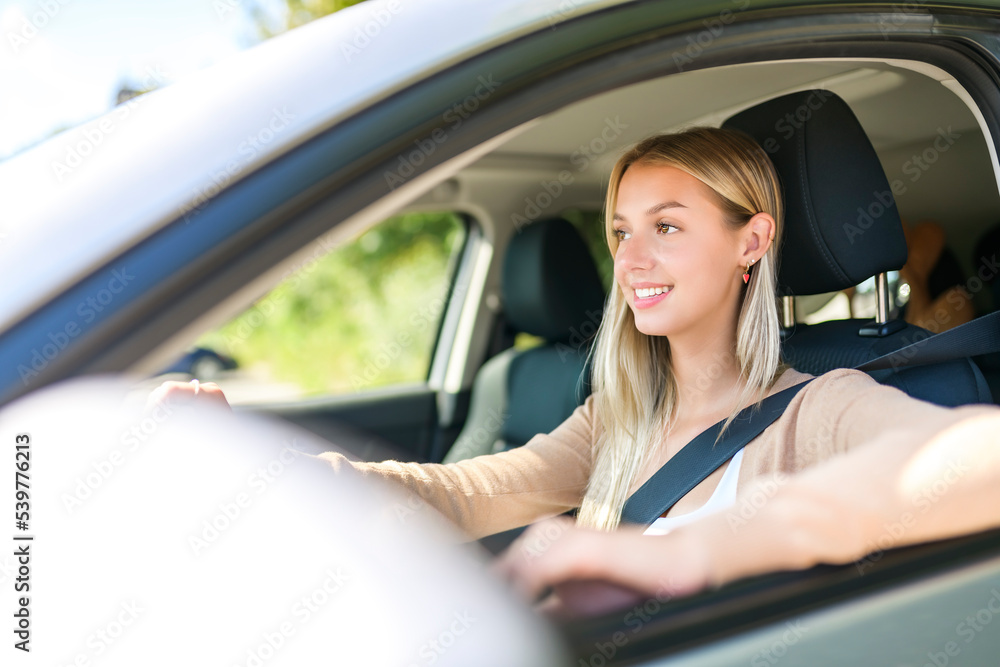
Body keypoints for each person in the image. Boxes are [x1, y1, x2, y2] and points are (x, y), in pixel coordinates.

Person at [151, 128, 1000, 616]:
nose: (632, 258)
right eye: (622, 231)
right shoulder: (617, 414)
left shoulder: (818, 410)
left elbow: (976, 462)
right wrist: (269, 472)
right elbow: (465, 493)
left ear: (753, 241)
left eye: (668, 225)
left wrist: (696, 551)